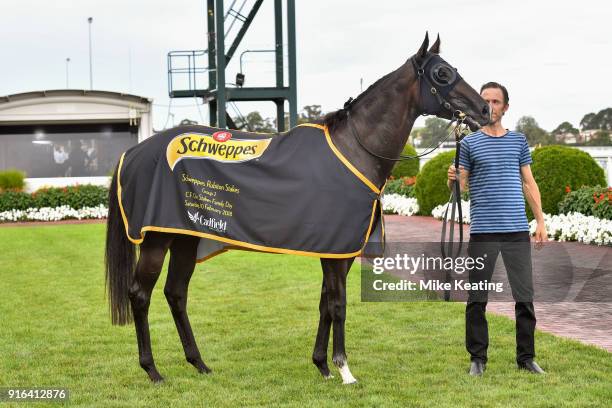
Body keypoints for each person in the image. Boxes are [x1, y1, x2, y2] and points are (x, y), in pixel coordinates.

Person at [447, 82, 548, 376]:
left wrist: (540, 220)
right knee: (477, 298)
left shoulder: (518, 141)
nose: (490, 105)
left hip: (516, 231)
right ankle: (477, 359)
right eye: (485, 101)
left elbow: (529, 183)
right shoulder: (469, 143)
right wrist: (452, 177)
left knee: (524, 297)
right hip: (483, 233)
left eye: (496, 101)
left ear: (505, 107)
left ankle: (526, 358)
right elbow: (460, 186)